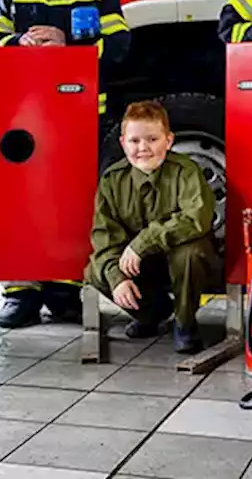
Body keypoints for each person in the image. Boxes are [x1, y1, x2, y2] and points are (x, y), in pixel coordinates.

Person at [0, 0, 130, 329]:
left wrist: (67, 41)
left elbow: (121, 47)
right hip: (24, 118)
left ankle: (66, 288)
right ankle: (20, 292)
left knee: (73, 202)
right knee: (20, 201)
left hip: (81, 112)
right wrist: (19, 45)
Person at [83, 100, 218, 354]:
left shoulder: (185, 171)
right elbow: (104, 237)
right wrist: (117, 278)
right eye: (134, 141)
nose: (143, 148)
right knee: (96, 270)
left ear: (168, 141)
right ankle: (150, 313)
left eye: (152, 139)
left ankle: (185, 322)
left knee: (191, 252)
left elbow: (197, 217)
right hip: (140, 268)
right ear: (123, 143)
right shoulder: (113, 180)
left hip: (183, 267)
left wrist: (143, 242)